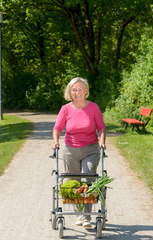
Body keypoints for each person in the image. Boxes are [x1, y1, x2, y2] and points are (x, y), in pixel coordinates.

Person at [52, 77, 106, 228]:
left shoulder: (93, 107)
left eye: (80, 89)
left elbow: (101, 127)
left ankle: (86, 216)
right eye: (74, 90)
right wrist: (56, 141)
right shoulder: (65, 109)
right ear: (70, 92)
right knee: (74, 182)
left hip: (91, 149)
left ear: (86, 90)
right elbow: (57, 128)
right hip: (70, 150)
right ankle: (79, 214)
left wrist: (102, 141)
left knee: (88, 178)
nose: (77, 92)